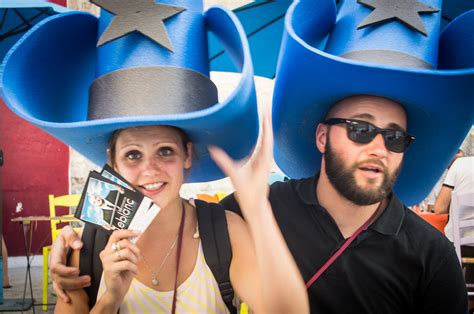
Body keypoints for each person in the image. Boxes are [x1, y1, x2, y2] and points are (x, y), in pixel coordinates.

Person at [46, 0, 474, 313]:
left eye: (395, 138)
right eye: (361, 130)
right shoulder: (252, 211)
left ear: (187, 156)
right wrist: (87, 276)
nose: (379, 147)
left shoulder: (432, 254)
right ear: (322, 136)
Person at [0, 0, 308, 313]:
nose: (150, 168)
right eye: (133, 154)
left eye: (165, 151)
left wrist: (257, 210)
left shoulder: (224, 233)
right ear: (113, 161)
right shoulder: (83, 251)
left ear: (187, 155)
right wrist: (110, 298)